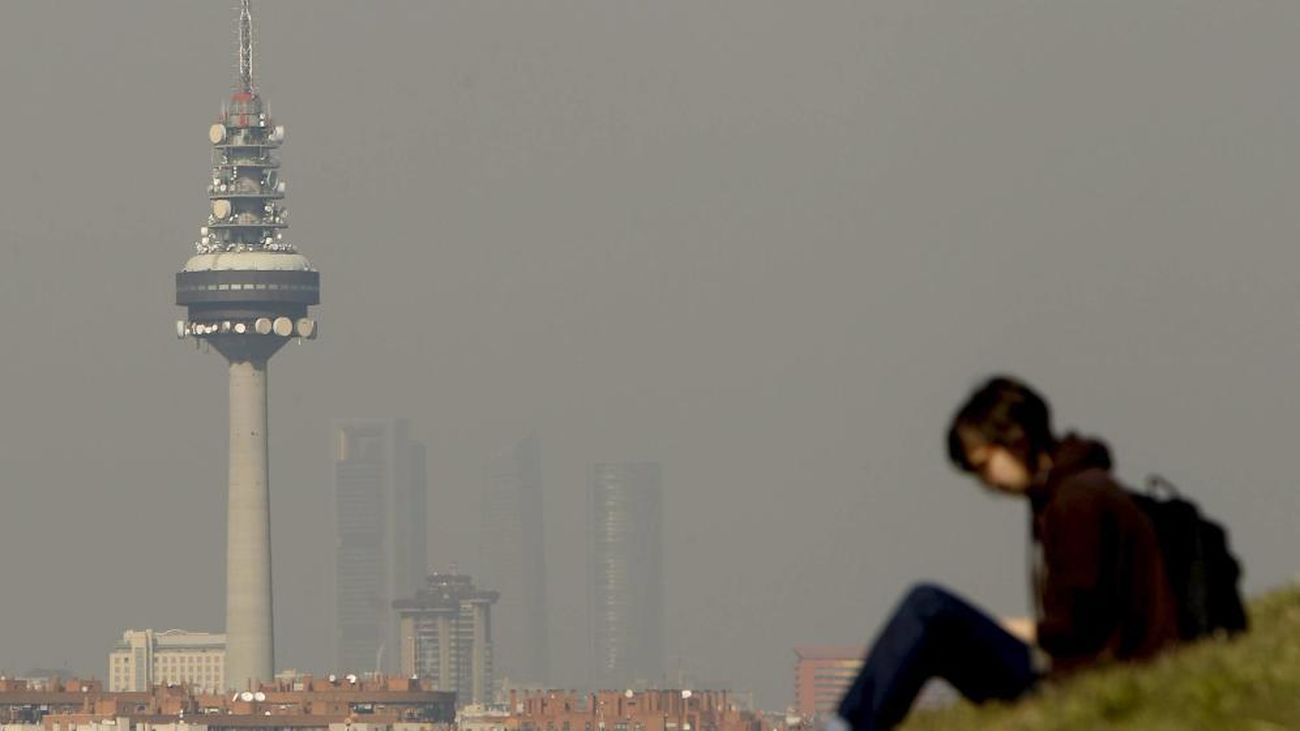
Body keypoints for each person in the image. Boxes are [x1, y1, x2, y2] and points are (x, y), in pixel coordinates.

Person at [834, 376, 1179, 731]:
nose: (986, 483)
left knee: (928, 608)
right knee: (934, 620)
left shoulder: (1076, 501)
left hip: (1080, 680)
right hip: (1077, 671)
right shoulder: (1069, 492)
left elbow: (1078, 629)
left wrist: (1016, 629)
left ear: (1016, 438)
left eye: (984, 465)